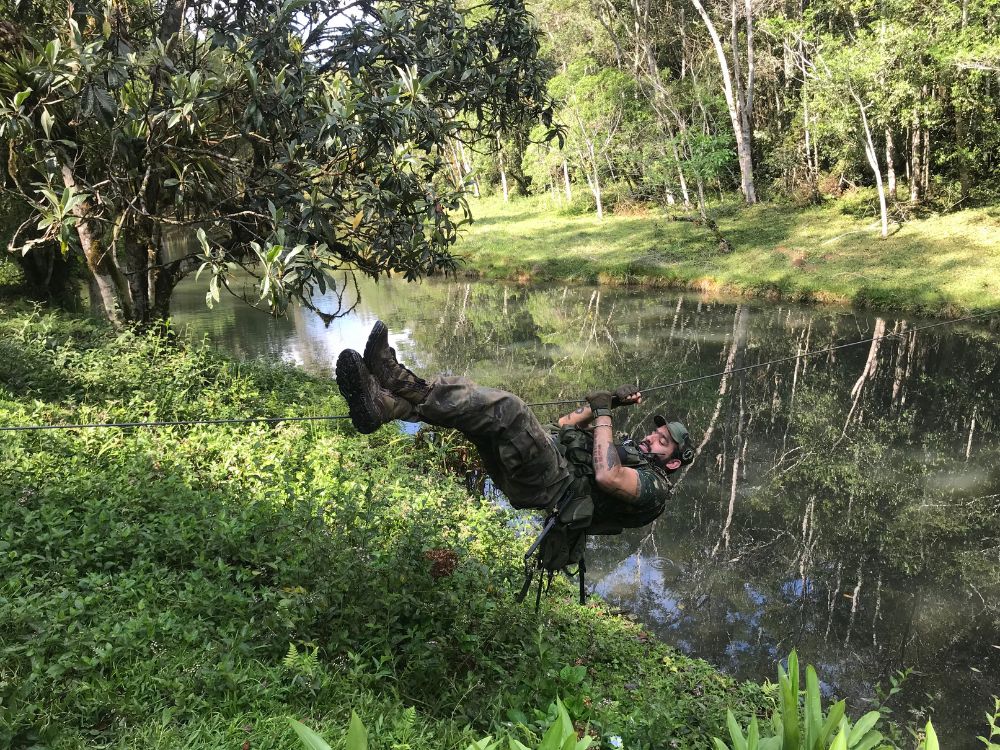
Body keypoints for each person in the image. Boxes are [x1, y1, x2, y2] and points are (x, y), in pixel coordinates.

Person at [335, 320, 693, 518]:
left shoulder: (655, 487)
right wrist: (609, 402)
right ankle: (384, 405)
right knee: (474, 414)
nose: (651, 438)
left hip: (553, 485)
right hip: (541, 473)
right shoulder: (628, 447)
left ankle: (395, 379)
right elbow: (564, 425)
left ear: (673, 460)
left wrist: (602, 415)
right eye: (655, 432)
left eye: (663, 441)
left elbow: (606, 474)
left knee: (509, 409)